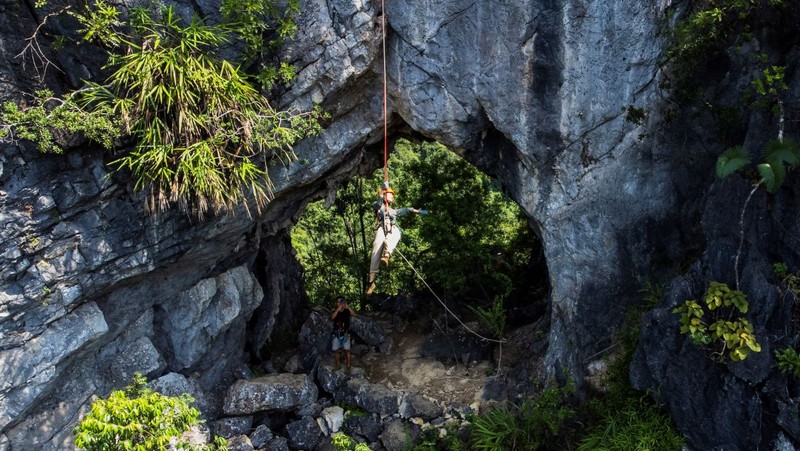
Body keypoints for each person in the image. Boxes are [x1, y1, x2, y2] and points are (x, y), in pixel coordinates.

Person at [366, 182, 427, 295]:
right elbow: (377, 204)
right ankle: (371, 282)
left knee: (393, 236)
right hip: (381, 228)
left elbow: (406, 210)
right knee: (375, 252)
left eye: (392, 196)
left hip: (392, 228)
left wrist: (418, 211)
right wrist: (381, 192)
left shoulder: (393, 211)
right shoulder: (379, 206)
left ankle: (387, 255)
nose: (392, 197)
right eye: (390, 195)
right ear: (384, 195)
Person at [330, 296, 356, 370]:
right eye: (338, 302)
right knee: (335, 350)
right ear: (336, 303)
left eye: (341, 301)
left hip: (345, 333)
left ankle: (348, 365)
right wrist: (338, 309)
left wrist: (347, 306)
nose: (340, 303)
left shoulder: (347, 311)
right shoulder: (334, 311)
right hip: (336, 333)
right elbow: (332, 317)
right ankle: (338, 364)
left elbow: (354, 314)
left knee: (347, 350)